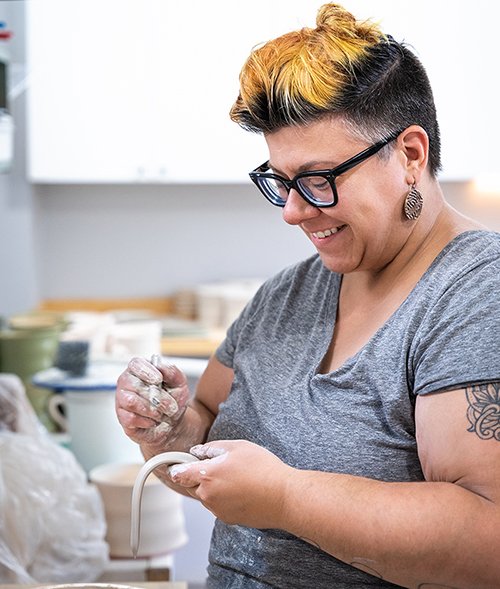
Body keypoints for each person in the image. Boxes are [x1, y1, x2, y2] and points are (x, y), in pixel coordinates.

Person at [116, 3, 500, 588]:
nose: (294, 211)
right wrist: (168, 431)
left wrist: (286, 497)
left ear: (410, 156)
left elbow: (488, 539)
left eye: (318, 180)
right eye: (281, 181)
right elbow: (207, 428)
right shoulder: (287, 294)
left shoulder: (476, 294)